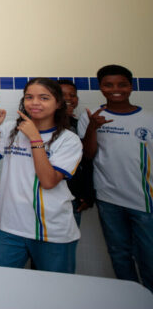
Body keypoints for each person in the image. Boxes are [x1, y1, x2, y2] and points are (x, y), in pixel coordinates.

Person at [0, 78, 82, 274]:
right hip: (10, 227)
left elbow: (48, 181)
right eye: (29, 97)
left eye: (44, 98)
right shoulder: (12, 129)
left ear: (58, 103)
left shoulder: (68, 140)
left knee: (55, 294)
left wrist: (35, 138)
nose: (35, 103)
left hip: (52, 231)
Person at [78, 65, 153, 292]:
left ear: (131, 86)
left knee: (148, 256)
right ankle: (130, 298)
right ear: (100, 87)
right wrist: (92, 127)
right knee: (119, 254)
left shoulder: (147, 118)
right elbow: (88, 155)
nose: (115, 90)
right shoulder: (91, 117)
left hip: (144, 201)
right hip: (109, 199)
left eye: (122, 84)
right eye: (108, 85)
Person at [58, 78, 94, 226]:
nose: (67, 98)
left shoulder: (79, 125)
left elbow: (86, 161)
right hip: (48, 195)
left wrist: (87, 192)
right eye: (62, 94)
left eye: (72, 95)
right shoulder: (40, 126)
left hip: (74, 196)